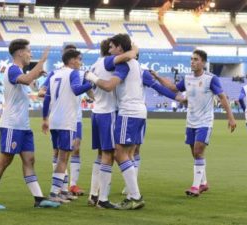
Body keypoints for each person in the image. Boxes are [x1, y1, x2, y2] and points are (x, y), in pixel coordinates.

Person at [86, 34, 183, 209]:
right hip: (140, 112)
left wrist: (91, 77)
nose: (110, 50)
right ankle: (127, 194)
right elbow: (158, 88)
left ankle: (134, 196)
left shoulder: (120, 65)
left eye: (112, 47)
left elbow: (108, 85)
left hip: (127, 112)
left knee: (117, 153)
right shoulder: (141, 68)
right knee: (129, 153)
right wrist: (179, 97)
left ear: (120, 50)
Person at [0, 39, 60, 209]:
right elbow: (25, 80)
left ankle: (39, 199)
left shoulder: (19, 72)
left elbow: (27, 84)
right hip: (12, 125)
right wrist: (41, 62)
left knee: (30, 160)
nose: (31, 54)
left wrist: (36, 76)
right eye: (29, 51)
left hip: (23, 126)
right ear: (19, 53)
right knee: (5, 160)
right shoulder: (12, 69)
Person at [151, 49, 236, 197]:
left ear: (203, 62)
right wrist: (157, 76)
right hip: (191, 121)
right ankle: (203, 183)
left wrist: (231, 117)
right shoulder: (188, 78)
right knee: (195, 153)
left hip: (205, 121)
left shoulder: (211, 79)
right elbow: (173, 88)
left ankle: (195, 187)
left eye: (196, 59)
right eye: (191, 59)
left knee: (198, 151)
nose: (192, 62)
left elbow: (222, 97)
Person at [87, 38, 140, 209]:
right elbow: (126, 57)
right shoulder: (112, 62)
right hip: (108, 113)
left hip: (96, 112)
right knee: (113, 154)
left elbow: (86, 86)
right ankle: (106, 198)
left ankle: (95, 195)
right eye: (110, 47)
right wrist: (133, 50)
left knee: (104, 155)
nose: (111, 50)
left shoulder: (95, 64)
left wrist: (95, 96)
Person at [42, 49, 92, 203]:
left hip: (54, 119)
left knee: (59, 157)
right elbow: (77, 90)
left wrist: (44, 118)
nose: (80, 62)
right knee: (63, 158)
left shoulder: (54, 74)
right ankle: (54, 193)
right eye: (79, 59)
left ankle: (62, 190)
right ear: (72, 61)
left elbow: (46, 98)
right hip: (66, 120)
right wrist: (92, 81)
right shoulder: (73, 73)